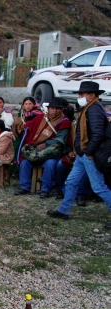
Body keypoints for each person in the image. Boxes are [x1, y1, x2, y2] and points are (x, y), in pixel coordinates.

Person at [48, 81, 111, 228]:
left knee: (99, 187)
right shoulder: (88, 108)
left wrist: (89, 152)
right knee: (71, 182)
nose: (80, 96)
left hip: (88, 154)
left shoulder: (93, 109)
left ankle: (64, 210)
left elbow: (98, 133)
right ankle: (64, 210)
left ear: (92, 95)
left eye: (82, 94)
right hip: (83, 154)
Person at [14, 98, 72, 198]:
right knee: (25, 162)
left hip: (51, 152)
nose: (54, 111)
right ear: (48, 109)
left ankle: (45, 189)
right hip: (35, 149)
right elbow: (29, 128)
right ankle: (24, 187)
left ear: (62, 110)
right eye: (51, 108)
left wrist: (46, 144)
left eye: (57, 109)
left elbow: (61, 139)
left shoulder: (64, 121)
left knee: (50, 164)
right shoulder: (40, 117)